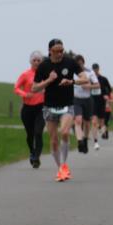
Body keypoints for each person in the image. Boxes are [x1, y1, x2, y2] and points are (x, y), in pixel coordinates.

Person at [32, 39, 82, 182]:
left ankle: (64, 165)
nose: (60, 53)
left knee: (64, 132)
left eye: (62, 50)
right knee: (54, 140)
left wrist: (72, 81)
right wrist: (49, 80)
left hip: (67, 105)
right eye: (56, 51)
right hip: (49, 107)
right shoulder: (44, 66)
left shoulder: (70, 62)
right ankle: (60, 168)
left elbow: (85, 79)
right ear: (50, 51)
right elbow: (34, 88)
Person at [14, 51, 46, 168]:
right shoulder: (25, 74)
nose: (36, 62)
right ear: (30, 61)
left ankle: (36, 157)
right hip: (27, 109)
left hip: (41, 108)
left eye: (39, 60)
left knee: (38, 132)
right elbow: (16, 88)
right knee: (30, 134)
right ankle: (32, 152)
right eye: (34, 60)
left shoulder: (45, 75)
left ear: (42, 62)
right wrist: (25, 94)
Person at [72, 54, 95, 154]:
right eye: (78, 64)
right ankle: (80, 141)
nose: (80, 65)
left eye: (81, 63)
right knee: (78, 120)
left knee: (87, 123)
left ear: (83, 63)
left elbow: (97, 85)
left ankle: (85, 139)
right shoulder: (71, 72)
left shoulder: (89, 72)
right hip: (76, 99)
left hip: (87, 100)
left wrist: (88, 86)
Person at [93, 63, 112, 140]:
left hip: (102, 101)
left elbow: (109, 89)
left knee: (102, 120)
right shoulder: (90, 79)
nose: (95, 71)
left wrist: (106, 95)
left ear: (98, 69)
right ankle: (96, 136)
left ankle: (104, 133)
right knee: (94, 120)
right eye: (94, 69)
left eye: (96, 69)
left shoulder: (104, 79)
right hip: (93, 101)